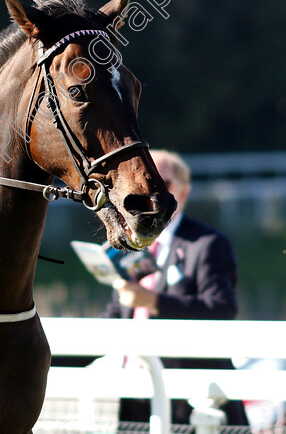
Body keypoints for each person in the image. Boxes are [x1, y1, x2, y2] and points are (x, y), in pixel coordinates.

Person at [103, 149, 248, 426]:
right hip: (135, 393)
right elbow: (113, 316)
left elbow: (222, 310)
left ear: (183, 192)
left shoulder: (207, 244)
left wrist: (153, 301)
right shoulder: (128, 245)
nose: (152, 192)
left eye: (164, 183)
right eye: (145, 183)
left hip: (193, 398)